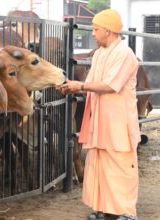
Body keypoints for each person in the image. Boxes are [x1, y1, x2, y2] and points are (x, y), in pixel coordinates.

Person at [58, 9, 140, 220]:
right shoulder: (101, 54)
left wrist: (81, 84)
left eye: (96, 29)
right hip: (100, 120)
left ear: (109, 30)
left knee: (120, 165)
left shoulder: (124, 54)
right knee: (98, 163)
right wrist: (72, 87)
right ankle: (103, 208)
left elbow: (111, 85)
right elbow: (91, 83)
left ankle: (125, 212)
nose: (93, 33)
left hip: (118, 120)